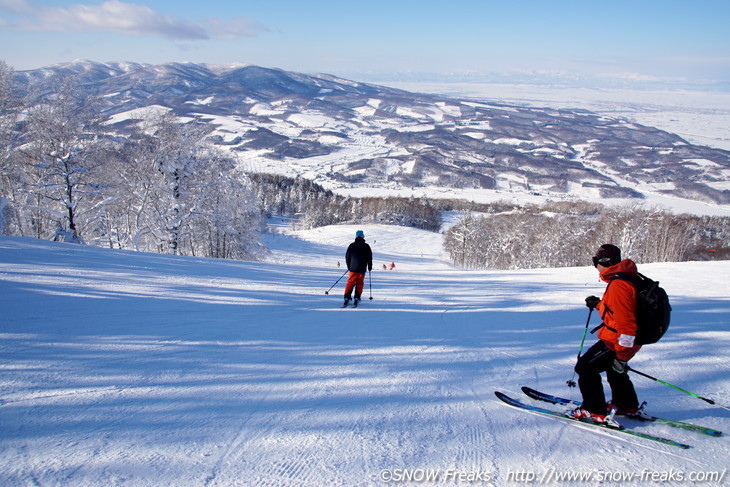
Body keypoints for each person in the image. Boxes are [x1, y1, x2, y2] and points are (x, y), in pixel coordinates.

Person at [567, 244, 649, 425]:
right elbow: (617, 311)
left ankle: (594, 410)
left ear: (604, 263)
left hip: (618, 341)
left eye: (595, 262)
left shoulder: (619, 285)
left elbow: (626, 325)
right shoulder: (626, 278)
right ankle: (626, 405)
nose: (595, 266)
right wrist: (598, 304)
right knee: (615, 370)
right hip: (628, 340)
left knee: (585, 368)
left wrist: (622, 354)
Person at [343, 230, 373, 306]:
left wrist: (349, 266)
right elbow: (369, 257)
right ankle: (357, 297)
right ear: (363, 236)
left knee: (350, 283)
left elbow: (347, 257)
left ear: (356, 236)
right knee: (359, 283)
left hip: (353, 268)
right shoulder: (366, 246)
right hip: (362, 269)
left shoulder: (351, 245)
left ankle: (347, 297)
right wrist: (370, 266)